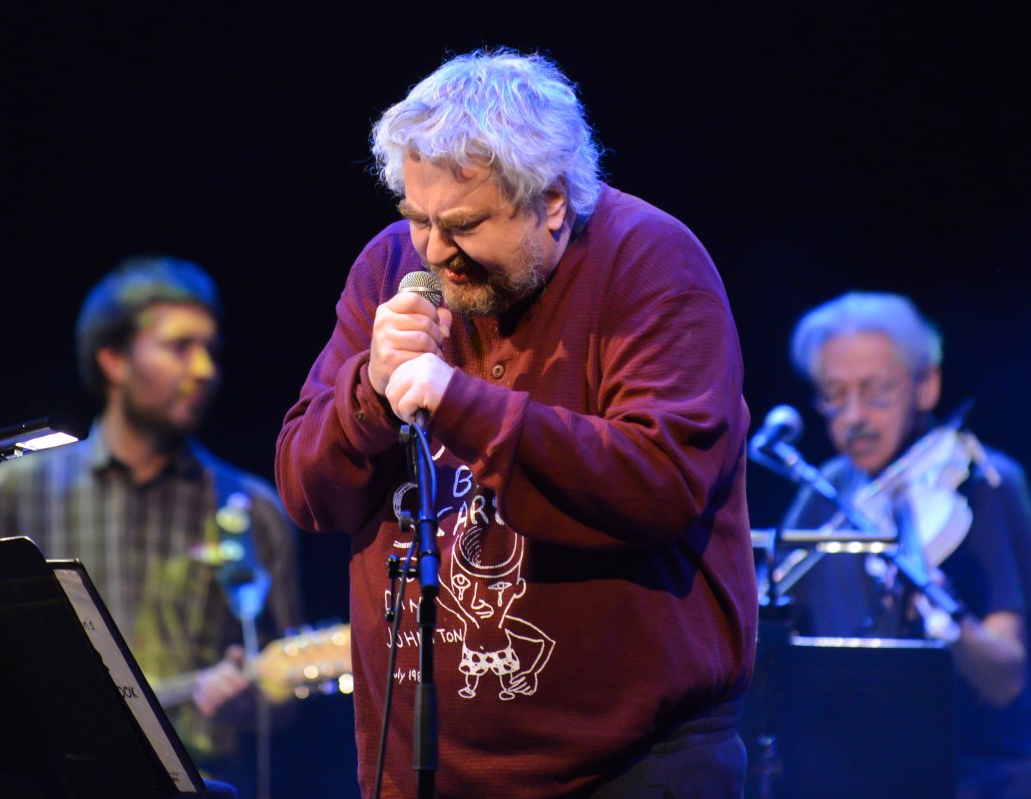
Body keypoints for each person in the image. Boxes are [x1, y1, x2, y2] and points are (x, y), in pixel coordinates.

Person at [275, 49, 757, 798]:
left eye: (464, 224)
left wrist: (455, 399)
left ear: (553, 201)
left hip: (630, 768)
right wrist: (369, 390)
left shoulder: (652, 261)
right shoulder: (388, 269)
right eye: (417, 218)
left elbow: (659, 483)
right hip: (424, 771)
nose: (434, 250)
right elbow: (307, 494)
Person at [0, 256, 303, 796]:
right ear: (113, 360)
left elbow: (285, 690)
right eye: (180, 347)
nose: (204, 369)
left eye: (210, 350)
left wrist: (251, 700)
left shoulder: (253, 508)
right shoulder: (15, 493)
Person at [780, 291, 1031, 798]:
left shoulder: (982, 481)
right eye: (834, 395)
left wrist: (941, 614)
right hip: (860, 776)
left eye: (875, 392)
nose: (853, 416)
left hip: (978, 782)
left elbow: (1006, 676)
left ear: (926, 385)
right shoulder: (826, 491)